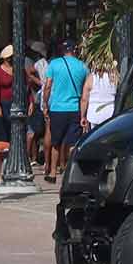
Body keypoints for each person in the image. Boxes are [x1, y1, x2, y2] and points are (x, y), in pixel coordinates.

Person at [41, 39, 90, 184]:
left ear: (62, 51)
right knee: (72, 142)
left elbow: (48, 86)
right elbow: (85, 91)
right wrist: (83, 113)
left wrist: (45, 103)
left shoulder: (54, 64)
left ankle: (53, 173)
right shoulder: (82, 66)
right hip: (74, 108)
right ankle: (70, 172)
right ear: (74, 50)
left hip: (57, 108)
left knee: (56, 142)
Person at [26, 41, 48, 165]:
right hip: (42, 98)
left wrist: (39, 82)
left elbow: (29, 73)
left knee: (32, 130)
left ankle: (30, 157)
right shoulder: (46, 63)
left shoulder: (39, 63)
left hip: (39, 98)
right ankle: (34, 157)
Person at [85, 55, 117, 128]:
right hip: (110, 113)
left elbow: (84, 99)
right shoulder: (114, 77)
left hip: (94, 114)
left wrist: (83, 116)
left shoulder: (91, 77)